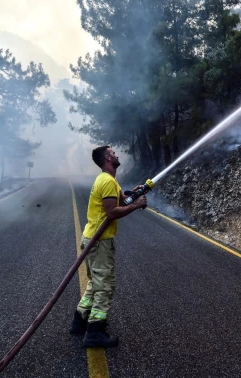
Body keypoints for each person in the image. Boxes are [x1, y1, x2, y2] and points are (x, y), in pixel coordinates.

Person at [69, 145, 147, 348]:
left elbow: (122, 200)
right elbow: (112, 212)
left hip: (92, 239)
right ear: (107, 157)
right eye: (113, 153)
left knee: (94, 284)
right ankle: (95, 332)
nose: (117, 154)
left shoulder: (107, 180)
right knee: (104, 286)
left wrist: (136, 193)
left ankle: (80, 321)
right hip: (100, 241)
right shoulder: (107, 181)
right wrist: (136, 205)